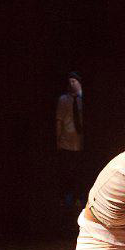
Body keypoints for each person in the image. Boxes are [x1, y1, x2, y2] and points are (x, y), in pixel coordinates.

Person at [56, 72, 85, 207]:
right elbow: (59, 120)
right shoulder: (63, 100)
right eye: (70, 82)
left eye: (74, 81)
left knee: (78, 171)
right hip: (66, 141)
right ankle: (65, 198)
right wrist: (58, 138)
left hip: (79, 142)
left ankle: (78, 197)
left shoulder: (82, 100)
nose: (71, 84)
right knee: (66, 171)